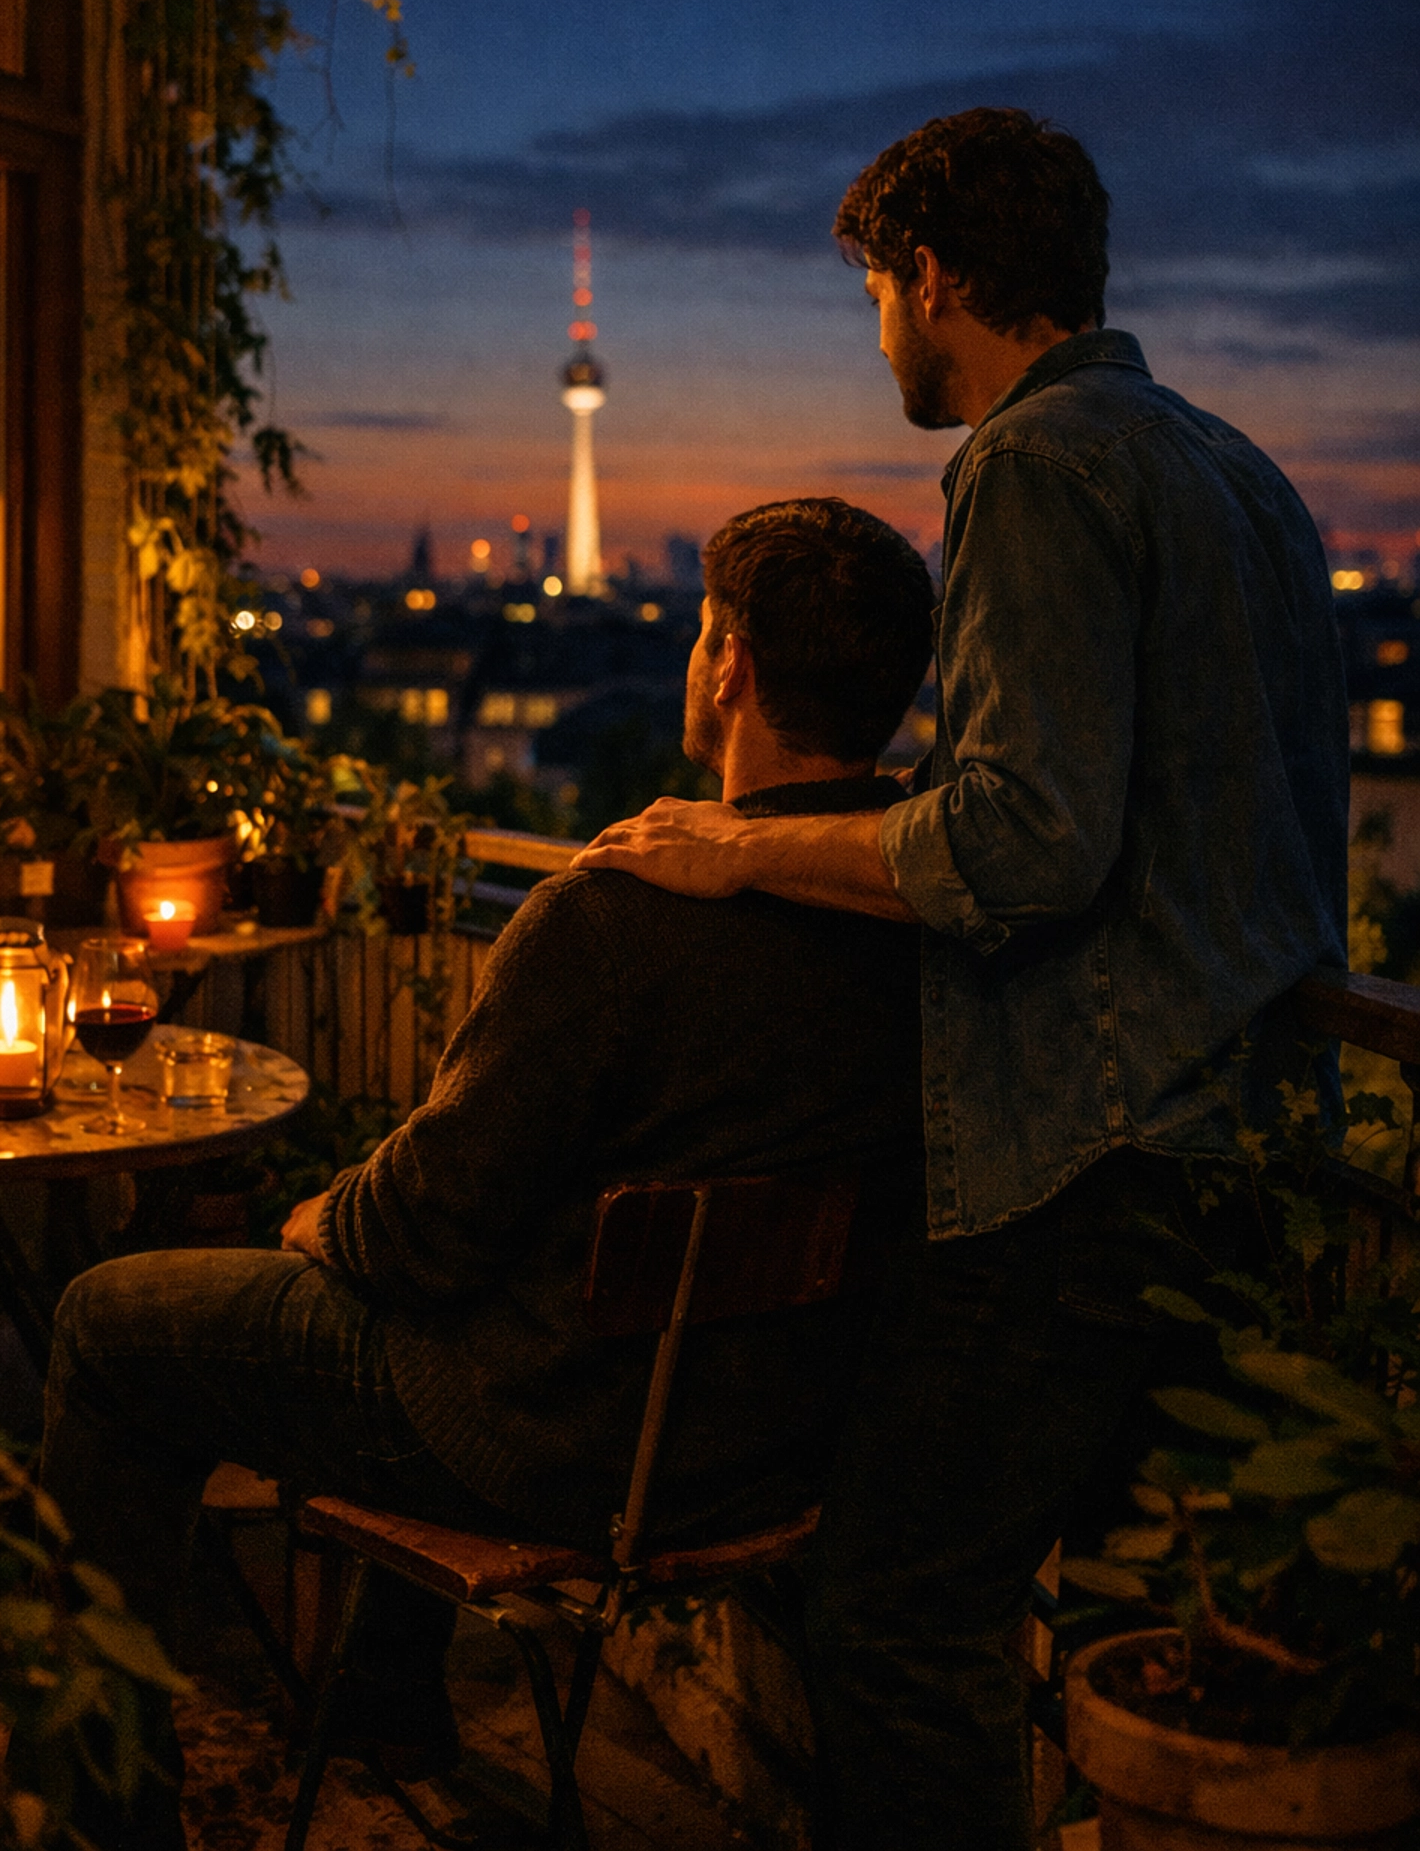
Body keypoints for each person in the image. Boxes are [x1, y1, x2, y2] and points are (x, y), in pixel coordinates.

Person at [575, 107, 1349, 1849]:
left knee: (901, 1617)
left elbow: (1024, 840)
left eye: (876, 295)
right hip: (1252, 1154)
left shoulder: (1032, 460)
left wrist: (744, 847)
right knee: (1141, 1619)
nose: (880, 337)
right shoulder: (1246, 477)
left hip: (1089, 1161)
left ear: (930, 277)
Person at [41, 495, 933, 1827]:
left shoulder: (615, 914)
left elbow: (422, 1233)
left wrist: (322, 1219)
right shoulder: (918, 925)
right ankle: (383, 1709)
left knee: (108, 1325)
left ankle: (91, 1805)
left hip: (542, 1436)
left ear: (731, 666)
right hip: (766, 1446)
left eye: (702, 637)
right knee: (444, 1284)